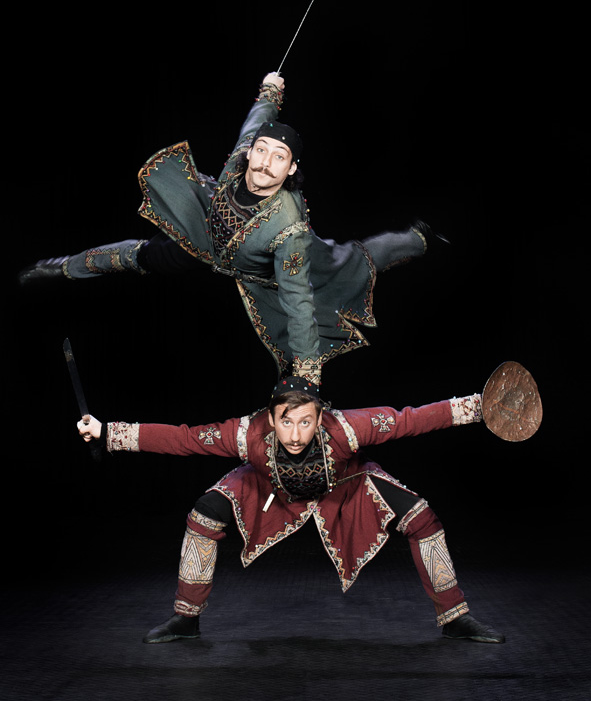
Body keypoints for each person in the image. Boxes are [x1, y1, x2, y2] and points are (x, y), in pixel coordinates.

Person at [20, 73, 447, 386]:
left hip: (267, 276)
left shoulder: (290, 230)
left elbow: (298, 301)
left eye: (278, 158)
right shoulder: (244, 155)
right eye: (261, 151)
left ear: (291, 169)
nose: (264, 163)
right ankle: (65, 267)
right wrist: (271, 90)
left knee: (357, 261)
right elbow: (257, 117)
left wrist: (307, 375)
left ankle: (420, 237)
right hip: (205, 238)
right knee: (137, 256)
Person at [77, 375, 505, 645]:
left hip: (346, 487)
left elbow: (410, 419)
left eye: (305, 422)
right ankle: (185, 618)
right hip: (268, 489)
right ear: (271, 418)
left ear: (320, 418)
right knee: (203, 512)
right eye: (286, 421)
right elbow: (185, 439)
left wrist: (479, 407)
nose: (295, 434)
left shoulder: (348, 429)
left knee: (421, 517)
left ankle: (455, 618)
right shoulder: (247, 434)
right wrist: (107, 432)